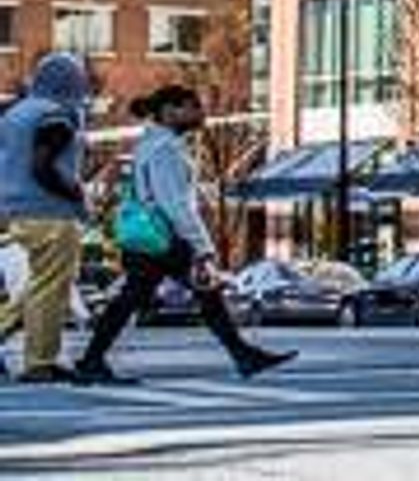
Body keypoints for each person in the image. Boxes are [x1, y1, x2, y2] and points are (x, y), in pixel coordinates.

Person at [77, 86, 292, 384]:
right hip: (165, 238)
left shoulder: (149, 143)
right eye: (192, 107)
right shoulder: (165, 148)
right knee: (200, 293)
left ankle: (91, 361)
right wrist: (203, 246)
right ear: (169, 111)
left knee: (140, 298)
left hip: (147, 236)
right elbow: (175, 203)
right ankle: (243, 355)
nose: (200, 114)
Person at [0, 52, 92, 386]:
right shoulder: (57, 116)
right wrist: (76, 194)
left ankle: (40, 357)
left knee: (39, 286)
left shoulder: (15, 113)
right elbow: (43, 167)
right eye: (80, 79)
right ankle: (40, 362)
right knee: (50, 288)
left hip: (12, 209)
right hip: (49, 212)